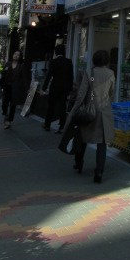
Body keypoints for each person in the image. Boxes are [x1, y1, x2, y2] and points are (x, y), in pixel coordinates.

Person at [64, 49, 115, 183]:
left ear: (94, 60)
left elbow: (81, 93)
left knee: (82, 137)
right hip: (104, 112)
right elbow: (111, 92)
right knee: (102, 143)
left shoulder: (90, 73)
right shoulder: (111, 73)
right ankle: (99, 172)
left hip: (89, 111)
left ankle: (79, 163)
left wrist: (75, 108)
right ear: (107, 61)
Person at [42, 45, 74, 133]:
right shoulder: (69, 62)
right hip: (64, 88)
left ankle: (47, 125)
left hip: (54, 86)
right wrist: (70, 89)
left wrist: (44, 87)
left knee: (51, 106)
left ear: (56, 52)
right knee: (62, 107)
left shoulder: (53, 62)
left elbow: (49, 75)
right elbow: (71, 77)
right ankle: (62, 127)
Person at [1, 49, 30, 129]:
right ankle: (6, 114)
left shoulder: (21, 66)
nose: (16, 55)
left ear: (20, 57)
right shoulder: (8, 63)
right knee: (4, 104)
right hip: (7, 87)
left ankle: (8, 121)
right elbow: (3, 74)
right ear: (13, 55)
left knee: (13, 105)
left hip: (15, 88)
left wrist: (27, 88)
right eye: (15, 54)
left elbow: (24, 78)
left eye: (18, 55)